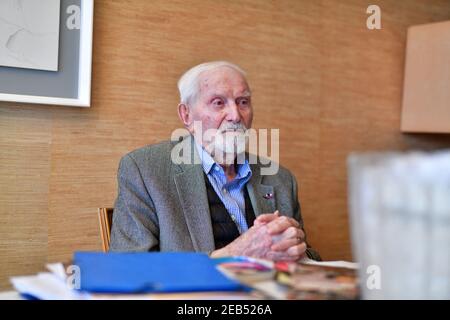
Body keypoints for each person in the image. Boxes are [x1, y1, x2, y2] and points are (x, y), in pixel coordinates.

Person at [110, 61, 320, 261]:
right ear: (187, 115)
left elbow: (312, 260)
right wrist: (234, 254)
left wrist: (297, 250)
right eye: (218, 103)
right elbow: (128, 270)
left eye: (243, 102)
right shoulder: (144, 171)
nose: (235, 115)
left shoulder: (281, 179)